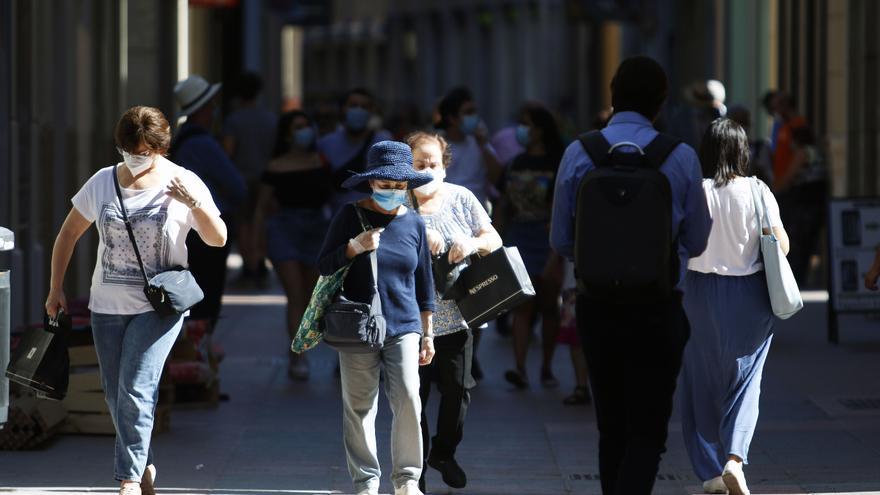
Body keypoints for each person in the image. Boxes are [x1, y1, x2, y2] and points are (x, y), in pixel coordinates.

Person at [550, 55, 712, 495]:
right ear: (660, 103)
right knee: (647, 432)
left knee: (612, 428)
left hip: (597, 307)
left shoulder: (579, 152)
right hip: (657, 308)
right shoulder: (680, 157)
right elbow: (697, 242)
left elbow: (562, 240)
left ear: (612, 95)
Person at [45, 106, 226, 495]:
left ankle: (127, 479)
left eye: (144, 151)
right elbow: (68, 235)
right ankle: (143, 466)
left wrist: (193, 203)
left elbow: (218, 239)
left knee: (135, 389)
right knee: (115, 392)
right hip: (106, 306)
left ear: (161, 148)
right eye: (129, 149)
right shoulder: (102, 181)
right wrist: (55, 287)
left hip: (159, 307)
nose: (136, 157)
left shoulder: (183, 180)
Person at [317, 141, 436, 495]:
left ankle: (407, 479)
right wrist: (354, 247)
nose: (394, 192)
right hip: (357, 325)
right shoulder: (349, 216)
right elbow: (324, 265)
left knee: (409, 399)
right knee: (359, 405)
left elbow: (424, 283)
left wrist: (428, 333)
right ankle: (367, 481)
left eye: (400, 187)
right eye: (386, 185)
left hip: (404, 325)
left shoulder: (414, 222)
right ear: (371, 183)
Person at [679, 118, 790, 495]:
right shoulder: (758, 191)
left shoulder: (694, 190)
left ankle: (710, 470)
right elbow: (782, 245)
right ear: (743, 150)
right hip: (751, 296)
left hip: (698, 293)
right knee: (745, 381)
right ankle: (734, 460)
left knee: (698, 380)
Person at [404, 132, 502, 492]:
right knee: (414, 399)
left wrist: (472, 242)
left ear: (444, 166)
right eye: (419, 164)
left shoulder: (461, 198)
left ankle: (443, 453)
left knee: (458, 391)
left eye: (433, 164)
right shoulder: (398, 202)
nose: (427, 170)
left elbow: (494, 239)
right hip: (411, 322)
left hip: (458, 316)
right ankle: (415, 472)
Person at [254, 111, 332, 380]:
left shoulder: (320, 161)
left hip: (316, 230)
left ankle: (298, 349)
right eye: (298, 127)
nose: (305, 131)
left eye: (307, 125)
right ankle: (298, 355)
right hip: (284, 229)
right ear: (287, 134)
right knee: (295, 295)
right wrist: (256, 243)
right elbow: (261, 207)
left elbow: (332, 199)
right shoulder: (275, 166)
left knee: (310, 297)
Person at [170, 75, 246, 331]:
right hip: (209, 227)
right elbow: (237, 186)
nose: (214, 110)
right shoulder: (203, 143)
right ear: (202, 109)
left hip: (186, 227)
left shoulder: (181, 140)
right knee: (207, 294)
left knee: (195, 290)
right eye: (211, 105)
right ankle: (200, 352)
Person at [498, 103, 565, 389]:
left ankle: (547, 368)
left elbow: (561, 207)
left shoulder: (558, 162)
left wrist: (557, 253)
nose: (522, 130)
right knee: (522, 305)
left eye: (527, 123)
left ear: (541, 129)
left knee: (550, 304)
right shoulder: (516, 163)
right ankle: (520, 367)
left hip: (548, 237)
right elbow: (503, 203)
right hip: (519, 237)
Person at [222, 72, 278, 286]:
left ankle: (249, 266)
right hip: (266, 179)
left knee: (244, 224)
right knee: (261, 222)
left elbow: (228, 151)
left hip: (241, 178)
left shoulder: (234, 120)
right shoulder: (270, 119)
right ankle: (260, 262)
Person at [317, 88, 392, 212]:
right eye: (353, 105)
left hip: (374, 219)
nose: (358, 110)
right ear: (343, 109)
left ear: (371, 111)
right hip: (338, 219)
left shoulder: (384, 141)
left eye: (364, 106)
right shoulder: (326, 144)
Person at [773, 125, 828, 285]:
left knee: (797, 246)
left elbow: (788, 178)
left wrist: (770, 191)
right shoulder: (817, 152)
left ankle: (794, 280)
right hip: (816, 204)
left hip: (803, 205)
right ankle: (801, 279)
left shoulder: (803, 152)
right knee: (807, 246)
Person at [436, 86, 503, 208]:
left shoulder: (480, 143)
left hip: (476, 216)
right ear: (452, 118)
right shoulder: (436, 145)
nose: (474, 117)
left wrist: (483, 145)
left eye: (474, 112)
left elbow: (497, 178)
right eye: (468, 112)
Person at [556, 258, 591, 406]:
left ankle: (582, 386)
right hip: (619, 282)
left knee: (577, 338)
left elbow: (560, 242)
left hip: (576, 281)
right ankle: (582, 386)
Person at [728, 105, 774, 185]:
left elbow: (770, 179)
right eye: (737, 122)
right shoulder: (721, 151)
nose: (741, 127)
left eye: (744, 122)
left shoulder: (761, 149)